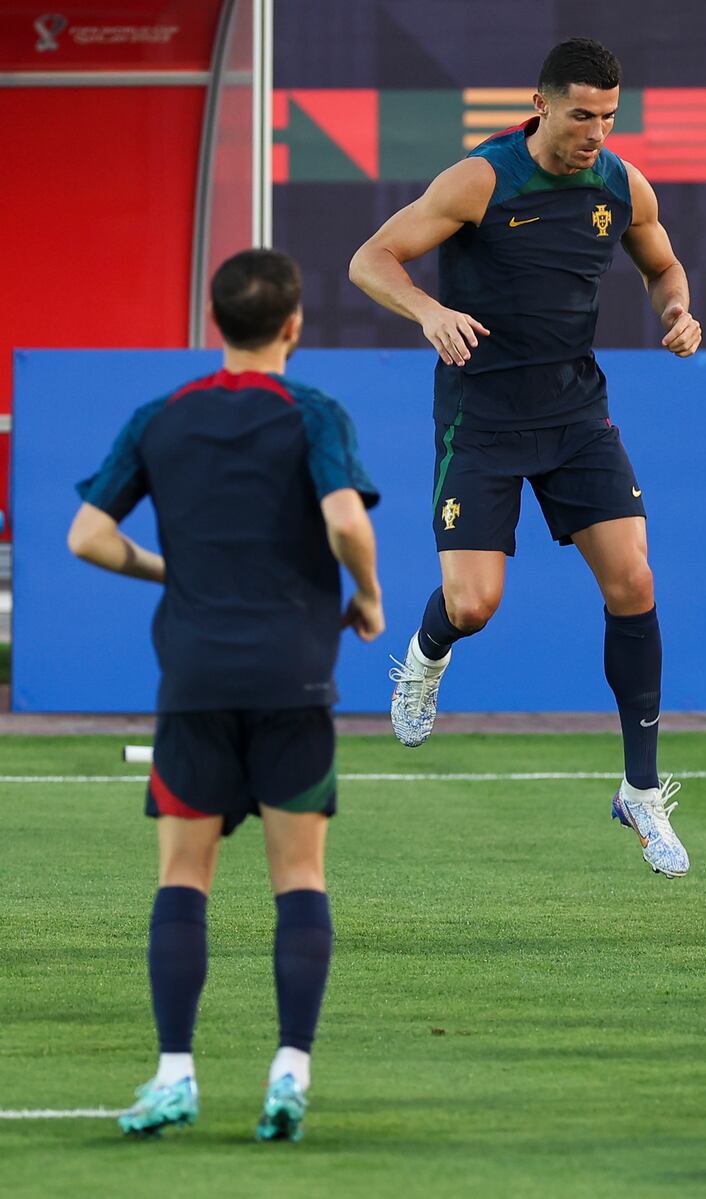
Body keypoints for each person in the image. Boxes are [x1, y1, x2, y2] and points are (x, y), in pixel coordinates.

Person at [349, 37, 701, 879]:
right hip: (484, 415)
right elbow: (370, 260)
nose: (597, 132)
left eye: (610, 117)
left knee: (636, 582)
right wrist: (428, 310)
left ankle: (641, 793)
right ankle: (427, 658)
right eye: (583, 115)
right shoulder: (482, 178)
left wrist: (677, 309)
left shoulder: (621, 183)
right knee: (473, 605)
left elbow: (662, 265)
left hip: (578, 413)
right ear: (540, 104)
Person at [68, 248, 383, 1141]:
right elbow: (344, 516)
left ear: (216, 324)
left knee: (182, 878)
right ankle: (289, 1071)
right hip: (294, 675)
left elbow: (88, 535)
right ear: (293, 324)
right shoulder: (313, 411)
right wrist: (367, 595)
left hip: (196, 676)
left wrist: (173, 570)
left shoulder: (161, 416)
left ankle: (174, 1074)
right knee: (300, 877)